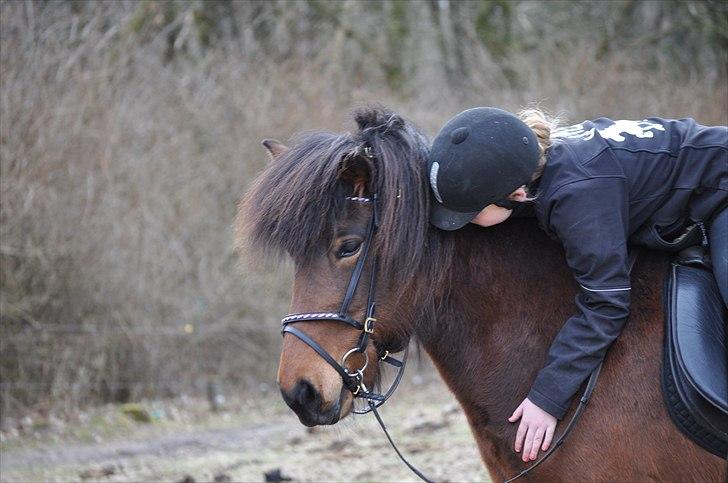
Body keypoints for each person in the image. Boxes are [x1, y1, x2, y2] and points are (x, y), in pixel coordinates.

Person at [427, 107, 728, 463]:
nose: (466, 223)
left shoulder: (576, 196)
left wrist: (547, 399)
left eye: (471, 213)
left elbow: (607, 305)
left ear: (516, 195)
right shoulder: (540, 165)